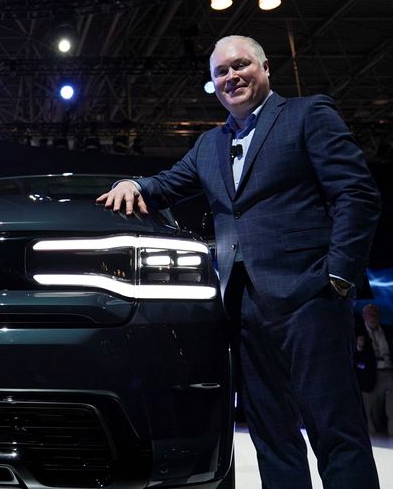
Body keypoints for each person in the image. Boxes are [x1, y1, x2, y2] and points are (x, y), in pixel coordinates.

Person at [97, 35, 381, 487]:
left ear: (265, 68)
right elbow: (167, 184)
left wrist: (340, 275)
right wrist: (132, 182)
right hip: (243, 309)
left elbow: (357, 194)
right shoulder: (210, 144)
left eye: (240, 65)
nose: (231, 77)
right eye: (220, 72)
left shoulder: (308, 115)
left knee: (336, 430)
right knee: (271, 436)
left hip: (311, 296)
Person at [354, 303, 393, 436]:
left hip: (389, 372)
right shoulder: (357, 332)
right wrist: (358, 349)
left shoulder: (389, 331)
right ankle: (373, 439)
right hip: (368, 375)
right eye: (370, 313)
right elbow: (352, 357)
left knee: (391, 406)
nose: (373, 316)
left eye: (375, 313)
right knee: (371, 411)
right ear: (364, 316)